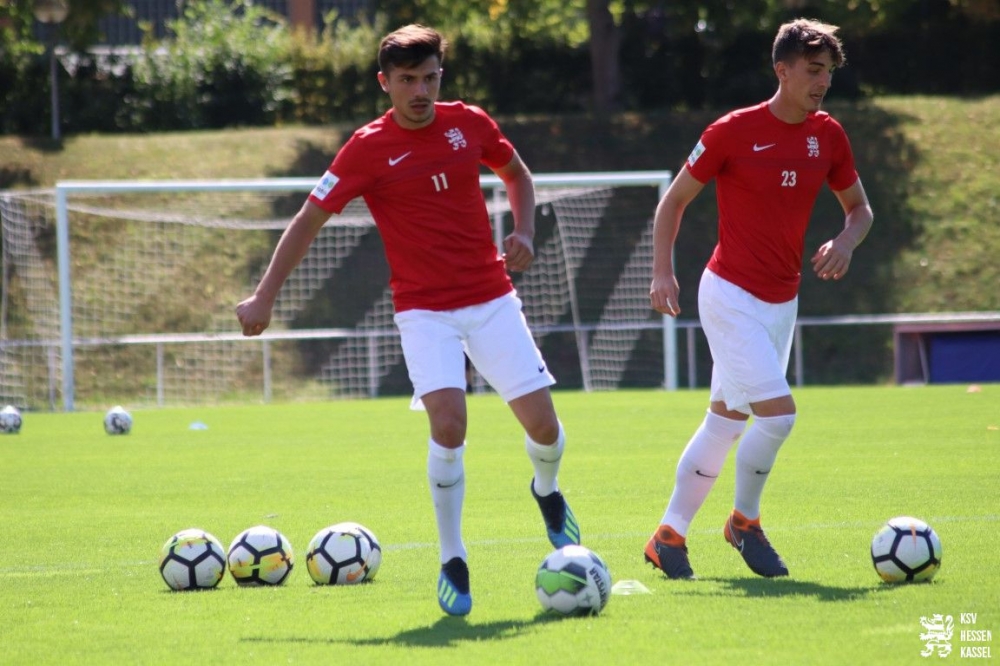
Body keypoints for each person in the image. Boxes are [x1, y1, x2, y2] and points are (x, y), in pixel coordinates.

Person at [235, 24, 580, 615]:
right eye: (407, 80)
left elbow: (517, 174)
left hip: (492, 299)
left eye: (429, 78)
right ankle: (453, 557)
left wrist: (524, 230)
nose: (420, 91)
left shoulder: (469, 123)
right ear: (385, 83)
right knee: (449, 425)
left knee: (545, 429)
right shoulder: (366, 148)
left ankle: (546, 490)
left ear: (440, 77)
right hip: (423, 311)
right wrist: (264, 295)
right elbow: (307, 220)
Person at [644, 18, 873, 580]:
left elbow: (860, 210)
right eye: (813, 70)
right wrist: (662, 273)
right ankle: (744, 523)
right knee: (779, 416)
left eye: (829, 72)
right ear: (782, 70)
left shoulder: (829, 136)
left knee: (725, 421)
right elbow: (673, 202)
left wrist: (846, 241)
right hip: (729, 295)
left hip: (781, 303)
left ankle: (668, 537)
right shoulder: (732, 131)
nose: (823, 82)